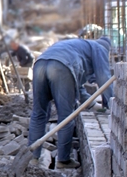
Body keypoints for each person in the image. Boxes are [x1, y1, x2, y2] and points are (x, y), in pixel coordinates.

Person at [27, 37, 113, 167]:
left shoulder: (76, 47)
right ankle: (63, 160)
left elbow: (77, 88)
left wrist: (95, 106)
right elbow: (104, 78)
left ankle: (32, 158)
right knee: (66, 115)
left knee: (39, 113)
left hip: (40, 64)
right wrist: (112, 104)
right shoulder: (100, 48)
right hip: (60, 67)